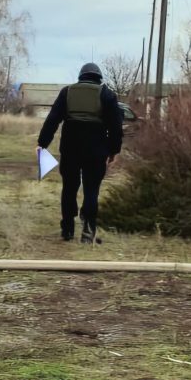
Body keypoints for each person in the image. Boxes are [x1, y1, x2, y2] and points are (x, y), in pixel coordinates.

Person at [37, 62, 123, 244]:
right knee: (92, 189)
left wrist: (42, 143)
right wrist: (114, 150)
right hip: (96, 149)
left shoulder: (67, 92)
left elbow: (53, 119)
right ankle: (88, 233)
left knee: (69, 187)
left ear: (81, 76)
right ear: (99, 77)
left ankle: (67, 229)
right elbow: (116, 127)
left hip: (70, 147)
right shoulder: (107, 94)